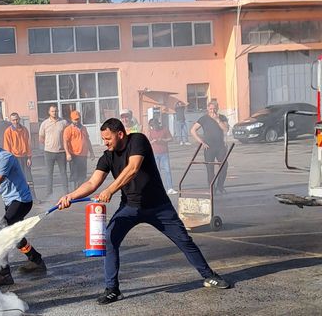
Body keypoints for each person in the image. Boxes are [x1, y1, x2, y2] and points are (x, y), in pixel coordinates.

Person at [57, 118, 230, 305]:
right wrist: (70, 196)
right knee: (109, 239)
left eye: (108, 138)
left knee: (184, 240)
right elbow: (92, 183)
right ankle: (112, 290)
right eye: (103, 138)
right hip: (130, 207)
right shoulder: (107, 156)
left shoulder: (137, 140)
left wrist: (109, 190)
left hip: (159, 207)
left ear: (120, 134)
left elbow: (133, 168)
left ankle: (209, 275)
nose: (105, 142)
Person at [0, 132, 47, 287]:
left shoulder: (5, 158)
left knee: (0, 231)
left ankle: (4, 275)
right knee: (14, 234)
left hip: (22, 200)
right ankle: (36, 260)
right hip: (10, 201)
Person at [190, 100, 230, 193]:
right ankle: (212, 188)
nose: (212, 111)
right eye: (210, 109)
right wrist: (201, 142)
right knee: (210, 168)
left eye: (214, 109)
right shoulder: (204, 119)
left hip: (220, 146)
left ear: (217, 109)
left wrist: (217, 120)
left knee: (224, 166)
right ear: (208, 109)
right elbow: (193, 130)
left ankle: (220, 186)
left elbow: (226, 129)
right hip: (209, 147)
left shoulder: (222, 118)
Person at [4, 112, 39, 203]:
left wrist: (29, 157)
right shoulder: (8, 131)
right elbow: (7, 147)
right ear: (11, 121)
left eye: (16, 119)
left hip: (24, 157)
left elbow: (28, 144)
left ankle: (33, 197)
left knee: (29, 178)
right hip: (14, 158)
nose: (15, 121)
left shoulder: (24, 130)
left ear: (19, 119)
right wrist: (10, 160)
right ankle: (17, 198)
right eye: (13, 120)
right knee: (16, 179)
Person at [39, 104, 68, 197]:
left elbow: (68, 136)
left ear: (58, 111)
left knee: (63, 172)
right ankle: (49, 193)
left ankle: (66, 192)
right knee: (49, 173)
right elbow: (41, 137)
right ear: (49, 112)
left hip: (61, 152)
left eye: (55, 111)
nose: (54, 113)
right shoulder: (45, 123)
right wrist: (48, 144)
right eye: (52, 111)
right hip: (49, 152)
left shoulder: (63, 122)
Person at [63, 110, 95, 188]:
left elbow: (88, 140)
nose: (77, 121)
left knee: (82, 175)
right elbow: (65, 142)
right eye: (75, 119)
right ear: (71, 119)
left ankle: (80, 190)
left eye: (78, 119)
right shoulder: (68, 129)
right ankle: (74, 191)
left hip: (83, 155)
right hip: (74, 155)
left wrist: (92, 152)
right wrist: (67, 154)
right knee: (74, 175)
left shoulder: (84, 128)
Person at [149, 118, 176, 195]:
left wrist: (163, 140)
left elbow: (171, 139)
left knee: (167, 171)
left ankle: (170, 188)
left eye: (155, 126)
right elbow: (148, 141)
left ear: (158, 124)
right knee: (157, 172)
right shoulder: (150, 131)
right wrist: (152, 141)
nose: (154, 128)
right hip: (155, 153)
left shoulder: (165, 129)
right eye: (152, 126)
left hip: (164, 153)